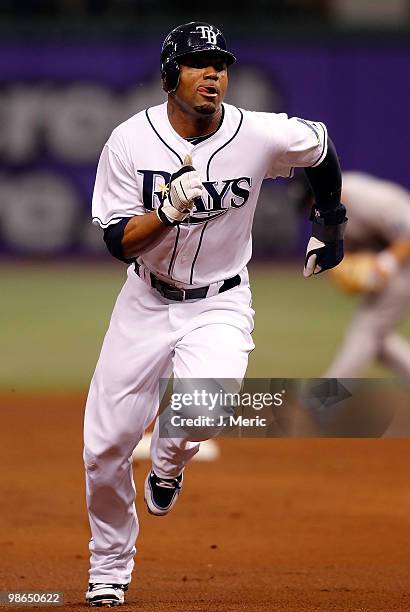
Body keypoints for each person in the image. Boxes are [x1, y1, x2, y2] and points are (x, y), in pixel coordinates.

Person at [83, 21, 346, 607]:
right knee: (103, 451)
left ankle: (170, 465)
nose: (213, 74)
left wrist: (330, 223)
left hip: (221, 299)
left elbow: (320, 144)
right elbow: (117, 242)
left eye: (220, 63)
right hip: (145, 300)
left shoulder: (255, 133)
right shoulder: (129, 142)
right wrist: (169, 211)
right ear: (168, 75)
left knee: (210, 403)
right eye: (199, 63)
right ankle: (108, 570)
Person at [324, 171, 410, 377]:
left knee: (366, 332)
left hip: (404, 260)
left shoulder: (366, 199)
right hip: (393, 256)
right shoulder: (330, 211)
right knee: (376, 340)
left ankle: (319, 403)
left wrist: (386, 263)